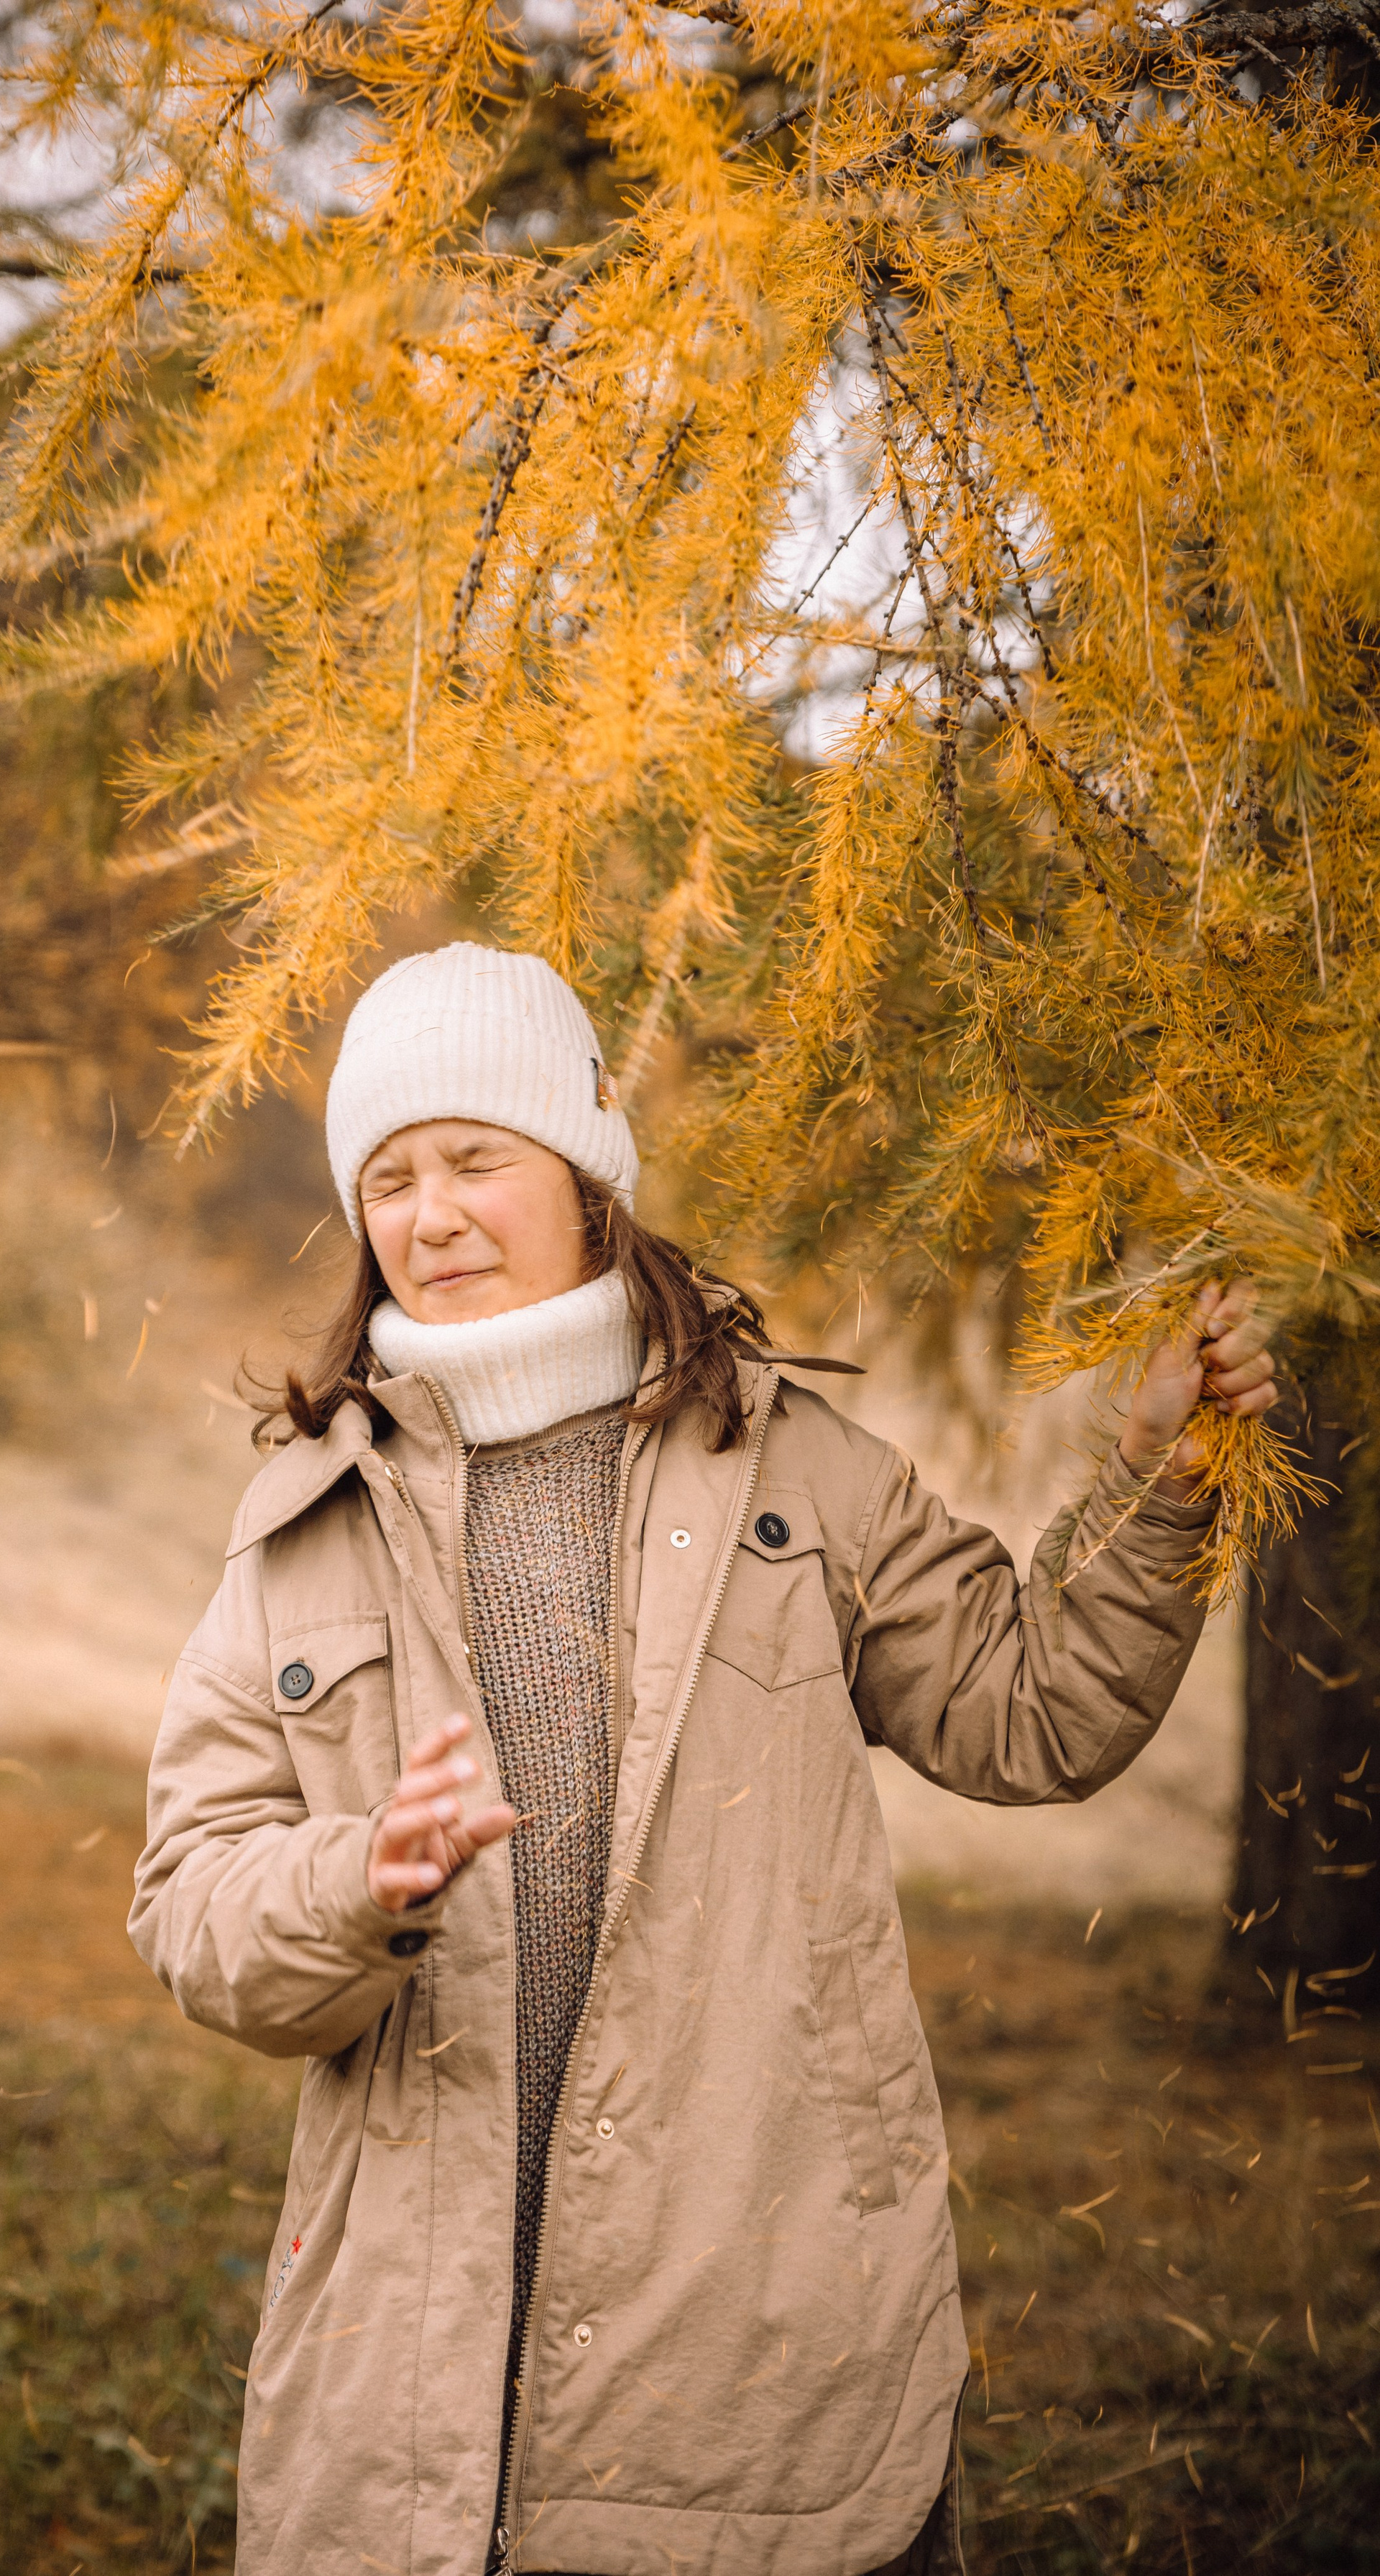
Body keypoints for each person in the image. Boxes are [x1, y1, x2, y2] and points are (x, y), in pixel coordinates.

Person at [129, 943, 1276, 2576]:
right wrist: (352, 1876)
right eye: (386, 1178)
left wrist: (1157, 1482)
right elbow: (190, 1903)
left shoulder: (785, 1467)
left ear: (586, 1175)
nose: (429, 1212)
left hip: (751, 2328)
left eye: (474, 1158)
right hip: (418, 2377)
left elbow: (1029, 1711)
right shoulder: (306, 1527)